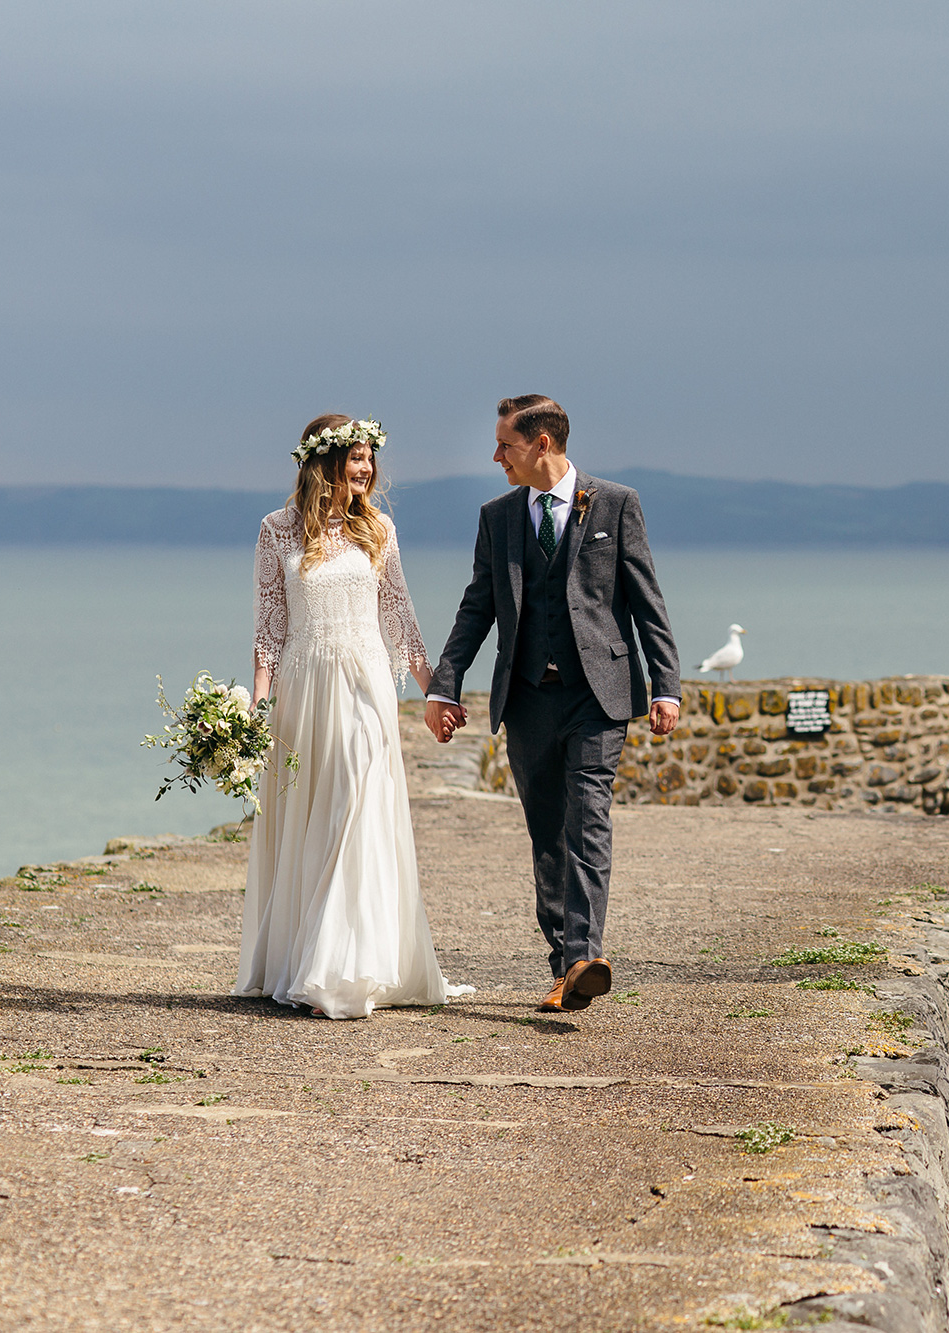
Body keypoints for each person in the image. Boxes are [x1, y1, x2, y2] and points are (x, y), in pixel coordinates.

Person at [423, 395, 681, 1013]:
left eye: (505, 444)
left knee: (587, 819)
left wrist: (665, 686)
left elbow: (647, 600)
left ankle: (582, 958)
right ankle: (566, 961)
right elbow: (477, 606)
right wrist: (444, 684)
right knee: (546, 833)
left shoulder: (616, 504)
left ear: (542, 444)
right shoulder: (498, 516)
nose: (496, 456)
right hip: (528, 699)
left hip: (599, 695)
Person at [236, 415, 473, 1019]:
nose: (367, 470)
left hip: (367, 685)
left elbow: (400, 619)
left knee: (358, 803)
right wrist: (253, 713)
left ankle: (345, 968)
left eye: (371, 459)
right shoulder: (276, 530)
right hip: (303, 688)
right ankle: (313, 958)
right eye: (356, 459)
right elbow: (269, 632)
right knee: (314, 815)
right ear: (323, 465)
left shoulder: (379, 529)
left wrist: (434, 692)